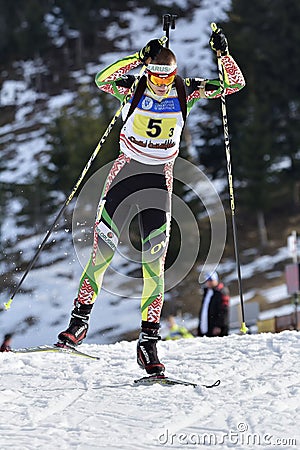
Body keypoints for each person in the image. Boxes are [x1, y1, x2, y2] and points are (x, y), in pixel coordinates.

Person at [57, 28, 245, 375]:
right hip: (125, 177)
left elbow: (233, 85)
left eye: (166, 78)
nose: (161, 85)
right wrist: (138, 60)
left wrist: (223, 55)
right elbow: (102, 79)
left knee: (153, 266)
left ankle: (148, 343)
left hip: (159, 182)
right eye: (155, 77)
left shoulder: (186, 90)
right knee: (102, 254)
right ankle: (79, 322)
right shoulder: (134, 87)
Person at [197, 272, 229, 337]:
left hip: (216, 330)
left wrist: (219, 326)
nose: (209, 282)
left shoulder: (221, 292)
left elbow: (224, 310)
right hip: (205, 328)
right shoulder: (206, 292)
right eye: (207, 280)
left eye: (211, 280)